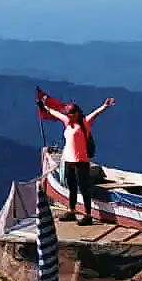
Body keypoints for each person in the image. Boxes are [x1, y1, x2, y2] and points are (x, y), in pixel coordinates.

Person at [37, 88, 116, 223]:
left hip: (81, 161)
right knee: (71, 187)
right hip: (68, 160)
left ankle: (87, 215)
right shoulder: (67, 122)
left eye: (71, 113)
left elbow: (95, 113)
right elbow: (55, 113)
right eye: (68, 113)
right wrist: (43, 106)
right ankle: (72, 211)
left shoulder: (84, 123)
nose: (68, 115)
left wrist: (105, 106)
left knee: (84, 188)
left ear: (77, 113)